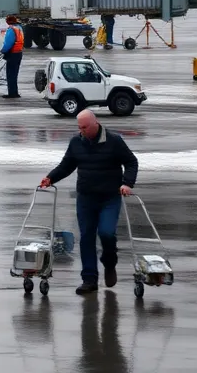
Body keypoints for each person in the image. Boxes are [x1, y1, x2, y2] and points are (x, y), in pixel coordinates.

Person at [39, 109, 139, 294]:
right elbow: (66, 165)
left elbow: (131, 162)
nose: (82, 130)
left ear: (96, 123)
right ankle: (89, 279)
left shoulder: (114, 141)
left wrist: (127, 183)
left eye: (85, 127)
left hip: (110, 197)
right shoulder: (77, 142)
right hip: (85, 197)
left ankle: (109, 263)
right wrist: (50, 178)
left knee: (107, 233)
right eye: (79, 127)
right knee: (86, 237)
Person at [0, 15, 24, 98]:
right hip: (19, 53)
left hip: (12, 54)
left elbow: (8, 43)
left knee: (10, 74)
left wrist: (3, 51)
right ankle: (15, 92)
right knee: (14, 74)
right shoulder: (19, 28)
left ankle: (12, 93)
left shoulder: (11, 30)